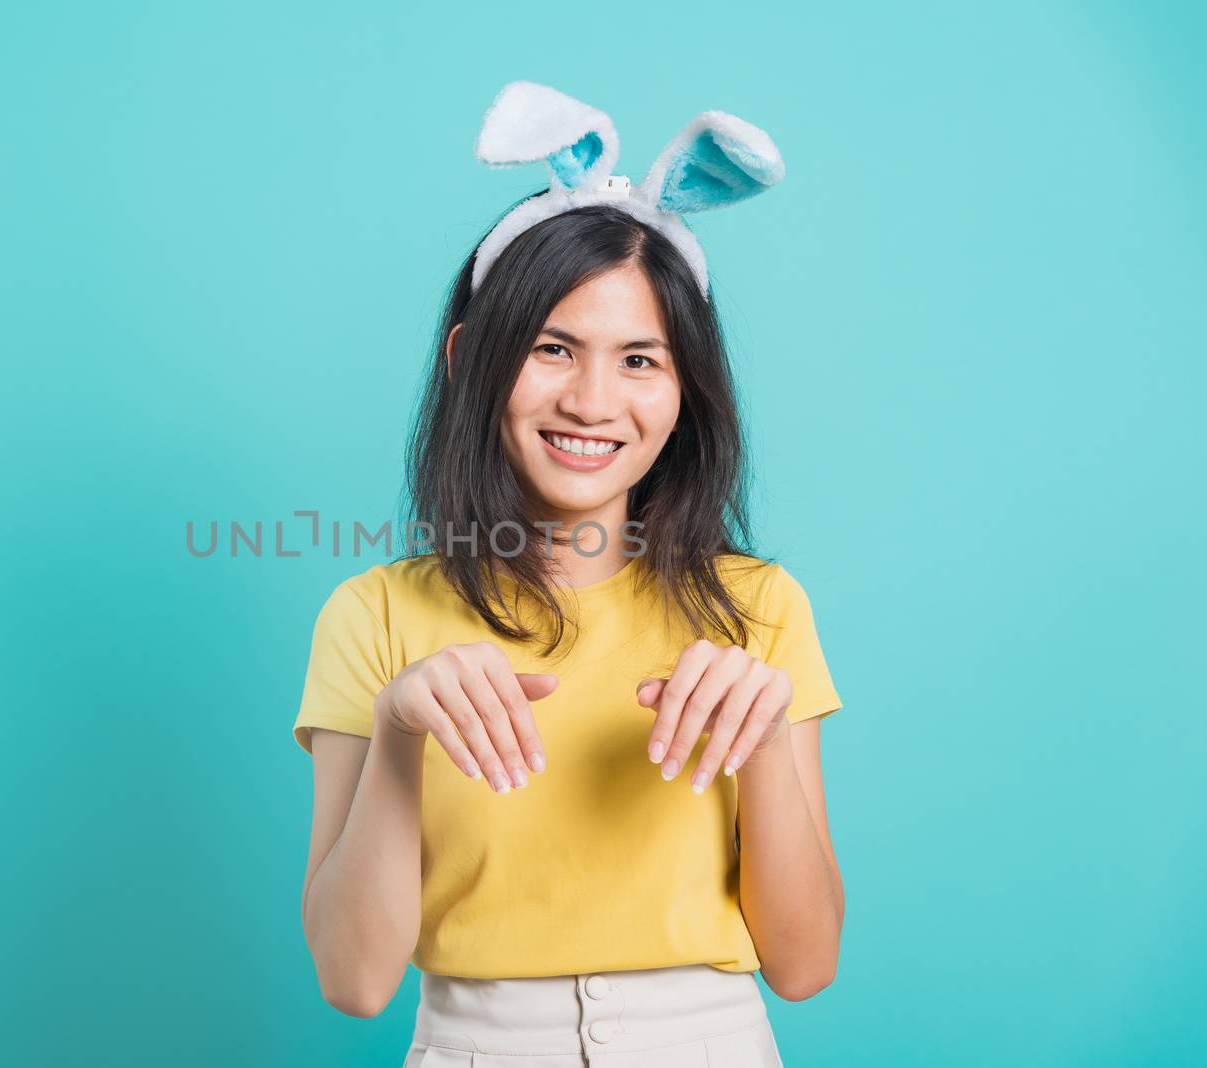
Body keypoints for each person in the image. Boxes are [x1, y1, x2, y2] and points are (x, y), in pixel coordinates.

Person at [292, 83, 844, 1068]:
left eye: (640, 360)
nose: (593, 400)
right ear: (470, 360)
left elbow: (803, 966)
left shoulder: (760, 609)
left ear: (685, 394)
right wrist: (396, 732)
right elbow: (353, 982)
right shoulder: (372, 617)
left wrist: (759, 740)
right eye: (552, 349)